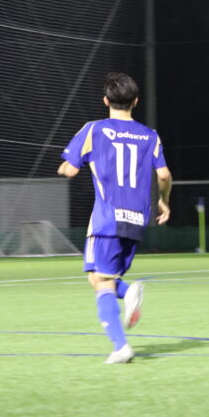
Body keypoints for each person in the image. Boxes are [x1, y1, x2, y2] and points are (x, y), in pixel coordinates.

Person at [57, 72, 172, 364]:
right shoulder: (150, 135)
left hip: (106, 218)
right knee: (97, 277)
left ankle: (121, 346)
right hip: (137, 219)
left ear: (106, 101)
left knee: (103, 281)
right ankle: (128, 291)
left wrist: (65, 168)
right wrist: (164, 201)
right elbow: (163, 175)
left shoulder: (93, 129)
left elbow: (71, 169)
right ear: (136, 101)